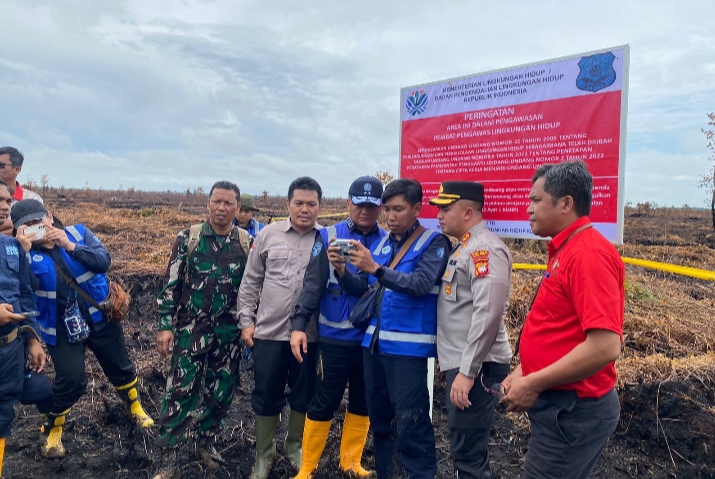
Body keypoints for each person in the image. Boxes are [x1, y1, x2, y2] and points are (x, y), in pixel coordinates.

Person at [501, 160, 624, 479]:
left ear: (566, 203)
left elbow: (605, 346)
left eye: (536, 200)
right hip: (561, 405)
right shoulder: (567, 250)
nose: (528, 208)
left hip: (572, 412)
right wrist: (524, 370)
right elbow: (561, 328)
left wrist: (533, 383)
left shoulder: (587, 255)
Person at [10, 198, 154, 461]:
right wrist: (22, 254)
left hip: (100, 316)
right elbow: (22, 290)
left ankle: (135, 407)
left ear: (49, 217)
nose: (36, 229)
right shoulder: (21, 253)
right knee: (71, 379)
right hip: (59, 327)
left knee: (120, 366)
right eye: (27, 226)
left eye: (38, 222)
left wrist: (70, 246)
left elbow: (103, 261)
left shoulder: (79, 233)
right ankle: (54, 428)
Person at [336, 178, 450, 479]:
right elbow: (365, 288)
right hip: (374, 346)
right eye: (386, 209)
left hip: (407, 351)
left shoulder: (434, 243)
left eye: (398, 209)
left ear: (417, 208)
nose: (390, 216)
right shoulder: (383, 244)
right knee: (381, 423)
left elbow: (420, 284)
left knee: (412, 424)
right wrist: (342, 270)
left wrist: (375, 268)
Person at [290, 176, 387, 479]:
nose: (365, 211)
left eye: (371, 206)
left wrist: (345, 272)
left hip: (370, 341)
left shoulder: (388, 242)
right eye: (359, 205)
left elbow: (373, 289)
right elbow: (312, 285)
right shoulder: (328, 235)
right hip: (333, 340)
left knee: (362, 401)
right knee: (323, 403)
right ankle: (307, 468)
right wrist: (299, 324)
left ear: (380, 207)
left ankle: (351, 462)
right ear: (348, 203)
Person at [154, 180, 251, 479]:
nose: (222, 208)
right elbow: (171, 284)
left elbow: (253, 288)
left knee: (221, 391)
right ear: (207, 204)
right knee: (180, 391)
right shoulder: (189, 238)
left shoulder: (246, 243)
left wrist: (250, 325)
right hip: (190, 330)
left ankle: (206, 443)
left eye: (228, 203)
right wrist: (165, 326)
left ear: (238, 207)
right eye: (216, 202)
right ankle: (169, 457)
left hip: (228, 334)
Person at [238, 176, 323, 479]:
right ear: (288, 203)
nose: (304, 209)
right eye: (298, 203)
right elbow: (251, 281)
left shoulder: (324, 239)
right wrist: (246, 321)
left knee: (303, 393)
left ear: (320, 206)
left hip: (310, 335)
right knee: (266, 392)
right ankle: (264, 453)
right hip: (269, 332)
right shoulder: (267, 235)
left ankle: (294, 445)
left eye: (311, 204)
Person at [429, 181, 512, 479]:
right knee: (464, 449)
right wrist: (450, 364)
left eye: (446, 208)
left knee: (468, 455)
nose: (439, 215)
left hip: (479, 367)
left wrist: (466, 372)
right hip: (466, 363)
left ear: (467, 212)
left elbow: (487, 315)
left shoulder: (484, 249)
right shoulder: (465, 246)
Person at [0, 180, 48, 478]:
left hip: (9, 349)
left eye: (6, 201)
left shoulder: (12, 247)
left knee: (3, 414)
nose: (4, 207)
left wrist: (31, 339)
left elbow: (25, 295)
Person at [0, 147, 43, 236]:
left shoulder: (32, 199)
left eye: (1, 165)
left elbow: (38, 230)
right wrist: (18, 224)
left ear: (17, 169)